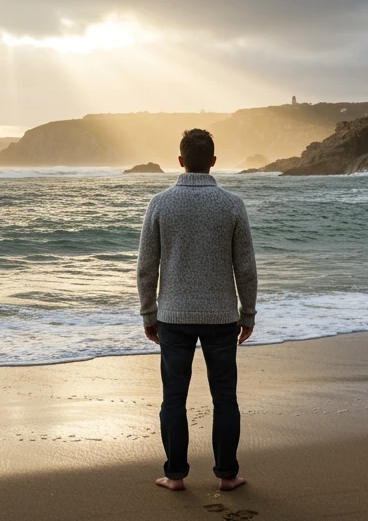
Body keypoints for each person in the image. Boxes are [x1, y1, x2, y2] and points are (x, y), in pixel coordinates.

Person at [136, 128, 257, 492]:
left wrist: (148, 313)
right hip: (222, 318)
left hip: (173, 317)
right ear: (214, 162)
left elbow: (146, 266)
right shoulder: (232, 204)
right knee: (225, 398)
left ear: (180, 161)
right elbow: (246, 267)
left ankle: (175, 476)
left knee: (173, 397)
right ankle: (228, 475)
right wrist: (247, 314)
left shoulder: (160, 203)